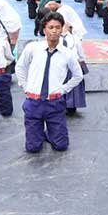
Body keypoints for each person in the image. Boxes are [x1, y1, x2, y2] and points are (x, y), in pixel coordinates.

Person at [17, 12, 84, 153]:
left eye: (58, 27)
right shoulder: (32, 48)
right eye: (51, 27)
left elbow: (78, 75)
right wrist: (25, 86)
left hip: (55, 103)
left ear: (62, 30)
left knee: (61, 146)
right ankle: (37, 134)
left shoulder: (67, 53)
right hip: (33, 102)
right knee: (33, 148)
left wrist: (63, 90)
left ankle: (50, 134)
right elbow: (20, 67)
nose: (54, 31)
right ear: (44, 30)